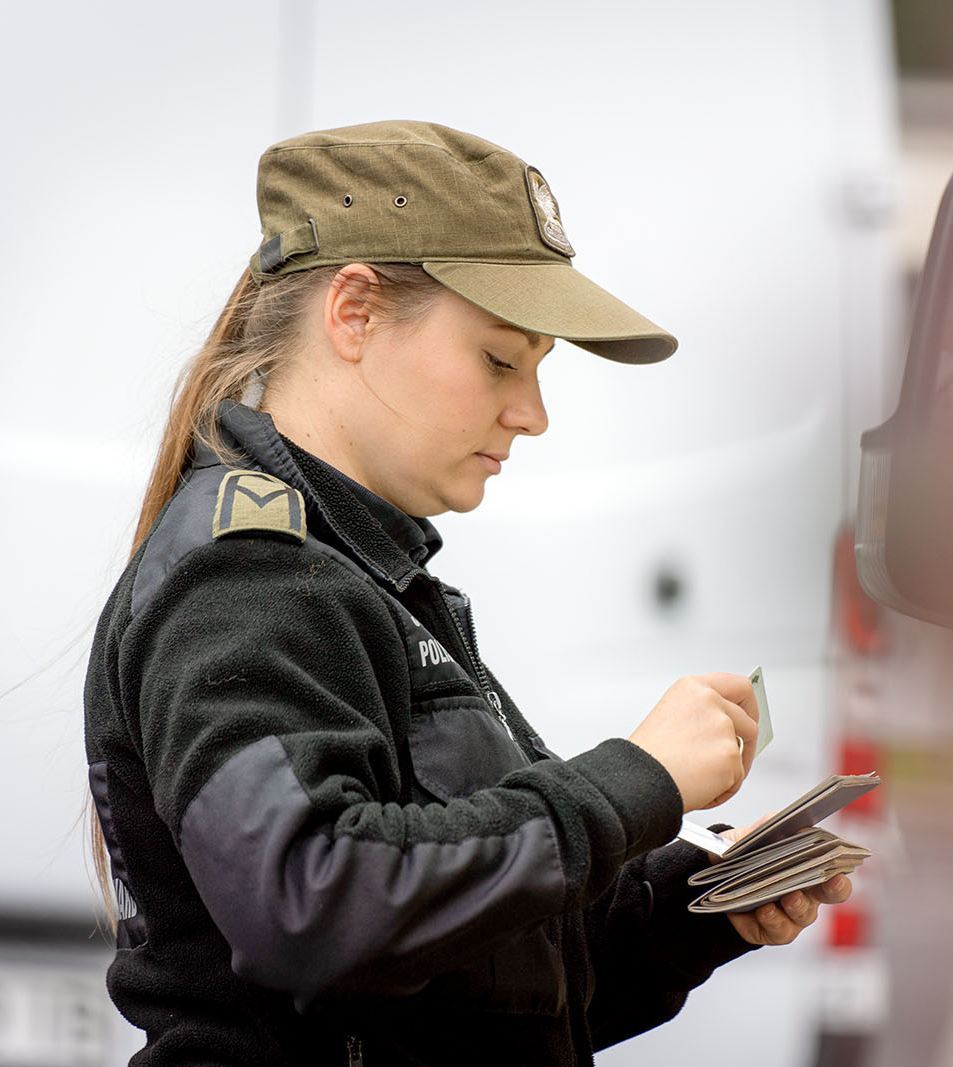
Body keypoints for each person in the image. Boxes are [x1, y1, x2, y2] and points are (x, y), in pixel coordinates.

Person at [82, 121, 852, 1067]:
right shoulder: (248, 575)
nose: (533, 413)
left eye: (539, 367)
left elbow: (484, 995)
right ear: (354, 312)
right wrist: (633, 780)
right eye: (500, 359)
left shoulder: (362, 577)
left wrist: (696, 903)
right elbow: (313, 904)